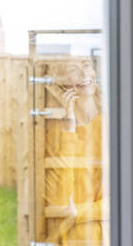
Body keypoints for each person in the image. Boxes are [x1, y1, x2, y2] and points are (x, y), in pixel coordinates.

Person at [44, 58, 108, 246]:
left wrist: (78, 212)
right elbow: (58, 198)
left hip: (108, 235)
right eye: (73, 69)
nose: (83, 73)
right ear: (62, 85)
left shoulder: (116, 124)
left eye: (86, 65)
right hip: (68, 238)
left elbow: (130, 199)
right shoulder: (57, 133)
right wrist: (69, 127)